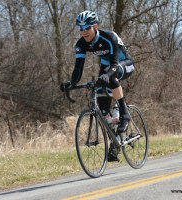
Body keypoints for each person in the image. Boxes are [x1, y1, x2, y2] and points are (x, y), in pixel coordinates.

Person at [61, 11, 135, 162]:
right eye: (80, 29)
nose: (83, 32)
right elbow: (78, 68)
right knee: (102, 110)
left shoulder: (109, 37)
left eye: (86, 28)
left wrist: (107, 76)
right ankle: (115, 146)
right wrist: (72, 83)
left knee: (111, 77)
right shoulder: (81, 44)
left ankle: (124, 112)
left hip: (124, 64)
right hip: (107, 67)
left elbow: (114, 64)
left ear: (95, 26)